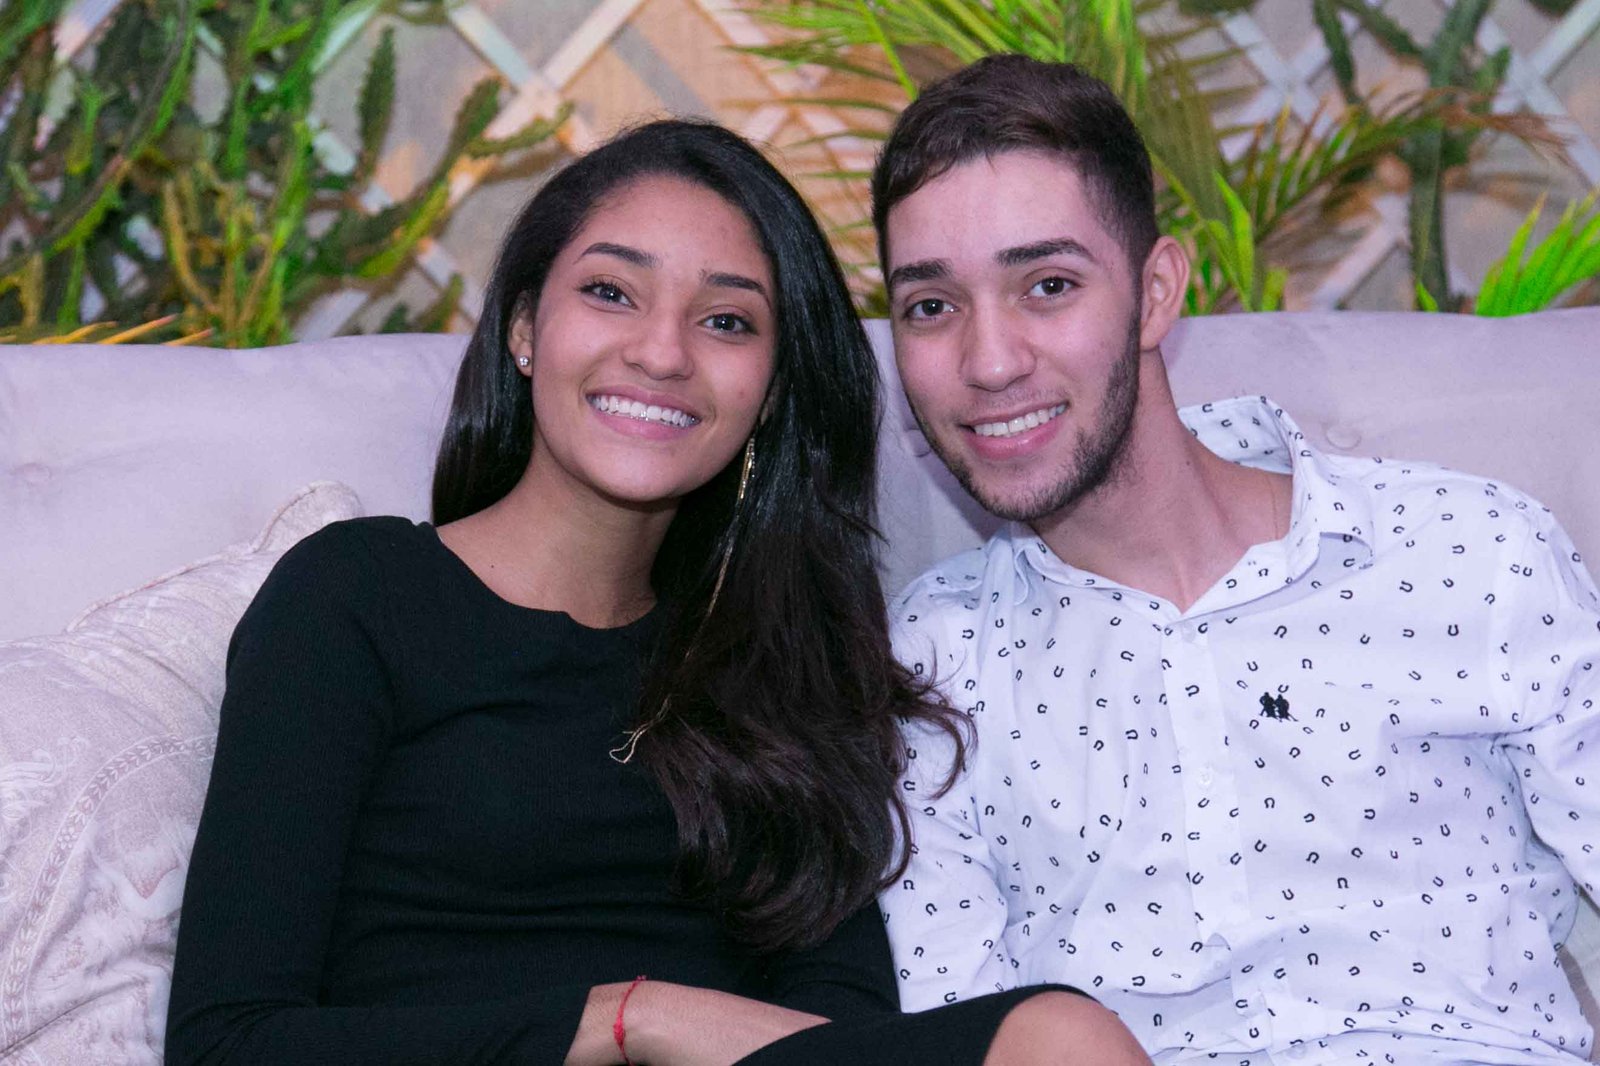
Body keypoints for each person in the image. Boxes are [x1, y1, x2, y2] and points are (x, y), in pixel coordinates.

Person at [164, 119, 1148, 1066]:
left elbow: (843, 1035)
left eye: (726, 320)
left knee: (1057, 1039)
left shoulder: (782, 661)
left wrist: (663, 1024)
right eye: (612, 293)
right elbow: (225, 1042)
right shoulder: (357, 597)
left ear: (771, 387)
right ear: (524, 328)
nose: (663, 353)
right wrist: (625, 1018)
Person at [873, 55, 1600, 1064]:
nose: (989, 362)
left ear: (1155, 292)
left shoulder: (1468, 551)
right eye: (931, 306)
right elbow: (953, 1025)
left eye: (1048, 286)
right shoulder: (930, 661)